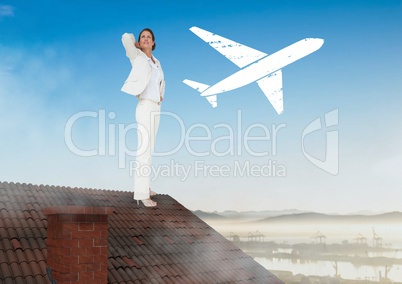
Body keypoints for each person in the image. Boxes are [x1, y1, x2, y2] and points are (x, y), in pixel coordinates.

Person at [121, 28, 165, 207]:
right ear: (140, 41)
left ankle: (145, 186)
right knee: (143, 150)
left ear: (154, 42)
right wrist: (135, 44)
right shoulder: (137, 57)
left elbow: (160, 81)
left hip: (156, 107)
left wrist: (161, 94)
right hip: (145, 106)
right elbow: (125, 37)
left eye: (149, 37)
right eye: (143, 37)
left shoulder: (157, 62)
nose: (146, 39)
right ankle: (141, 193)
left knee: (150, 149)